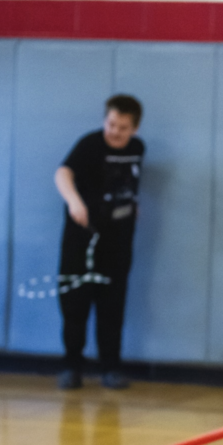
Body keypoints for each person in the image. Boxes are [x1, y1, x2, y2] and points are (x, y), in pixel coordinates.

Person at [54, 95, 144, 390]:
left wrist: (132, 206)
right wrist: (74, 201)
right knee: (75, 306)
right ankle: (72, 366)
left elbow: (129, 185)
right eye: (111, 124)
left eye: (122, 127)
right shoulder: (90, 144)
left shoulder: (137, 149)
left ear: (134, 128)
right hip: (81, 240)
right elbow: (62, 173)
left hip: (117, 242)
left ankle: (111, 368)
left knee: (112, 307)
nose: (114, 131)